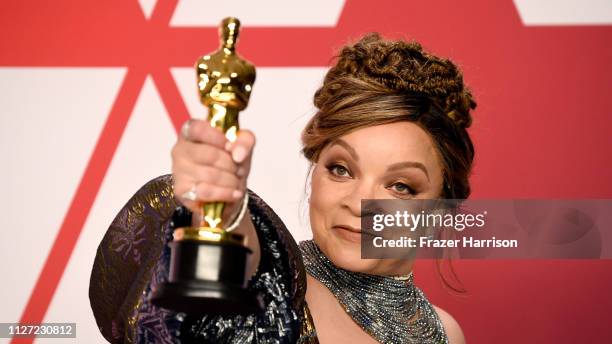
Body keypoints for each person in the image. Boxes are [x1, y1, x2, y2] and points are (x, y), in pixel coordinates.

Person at [90, 33, 475, 343]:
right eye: (341, 169)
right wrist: (222, 215)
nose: (360, 203)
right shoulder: (279, 292)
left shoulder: (445, 333)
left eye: (401, 187)